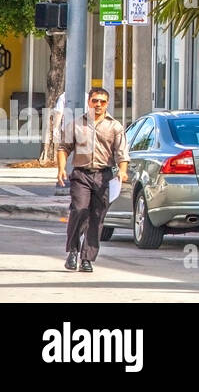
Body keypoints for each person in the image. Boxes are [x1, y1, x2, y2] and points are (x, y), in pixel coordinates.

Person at [56, 87, 129, 272]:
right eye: (95, 100)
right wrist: (61, 168)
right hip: (81, 175)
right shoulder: (76, 124)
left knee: (96, 218)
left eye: (102, 101)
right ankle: (72, 250)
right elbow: (63, 147)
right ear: (89, 101)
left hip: (103, 176)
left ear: (107, 104)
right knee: (79, 210)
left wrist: (122, 171)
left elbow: (122, 154)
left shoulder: (115, 126)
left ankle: (87, 258)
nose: (98, 104)